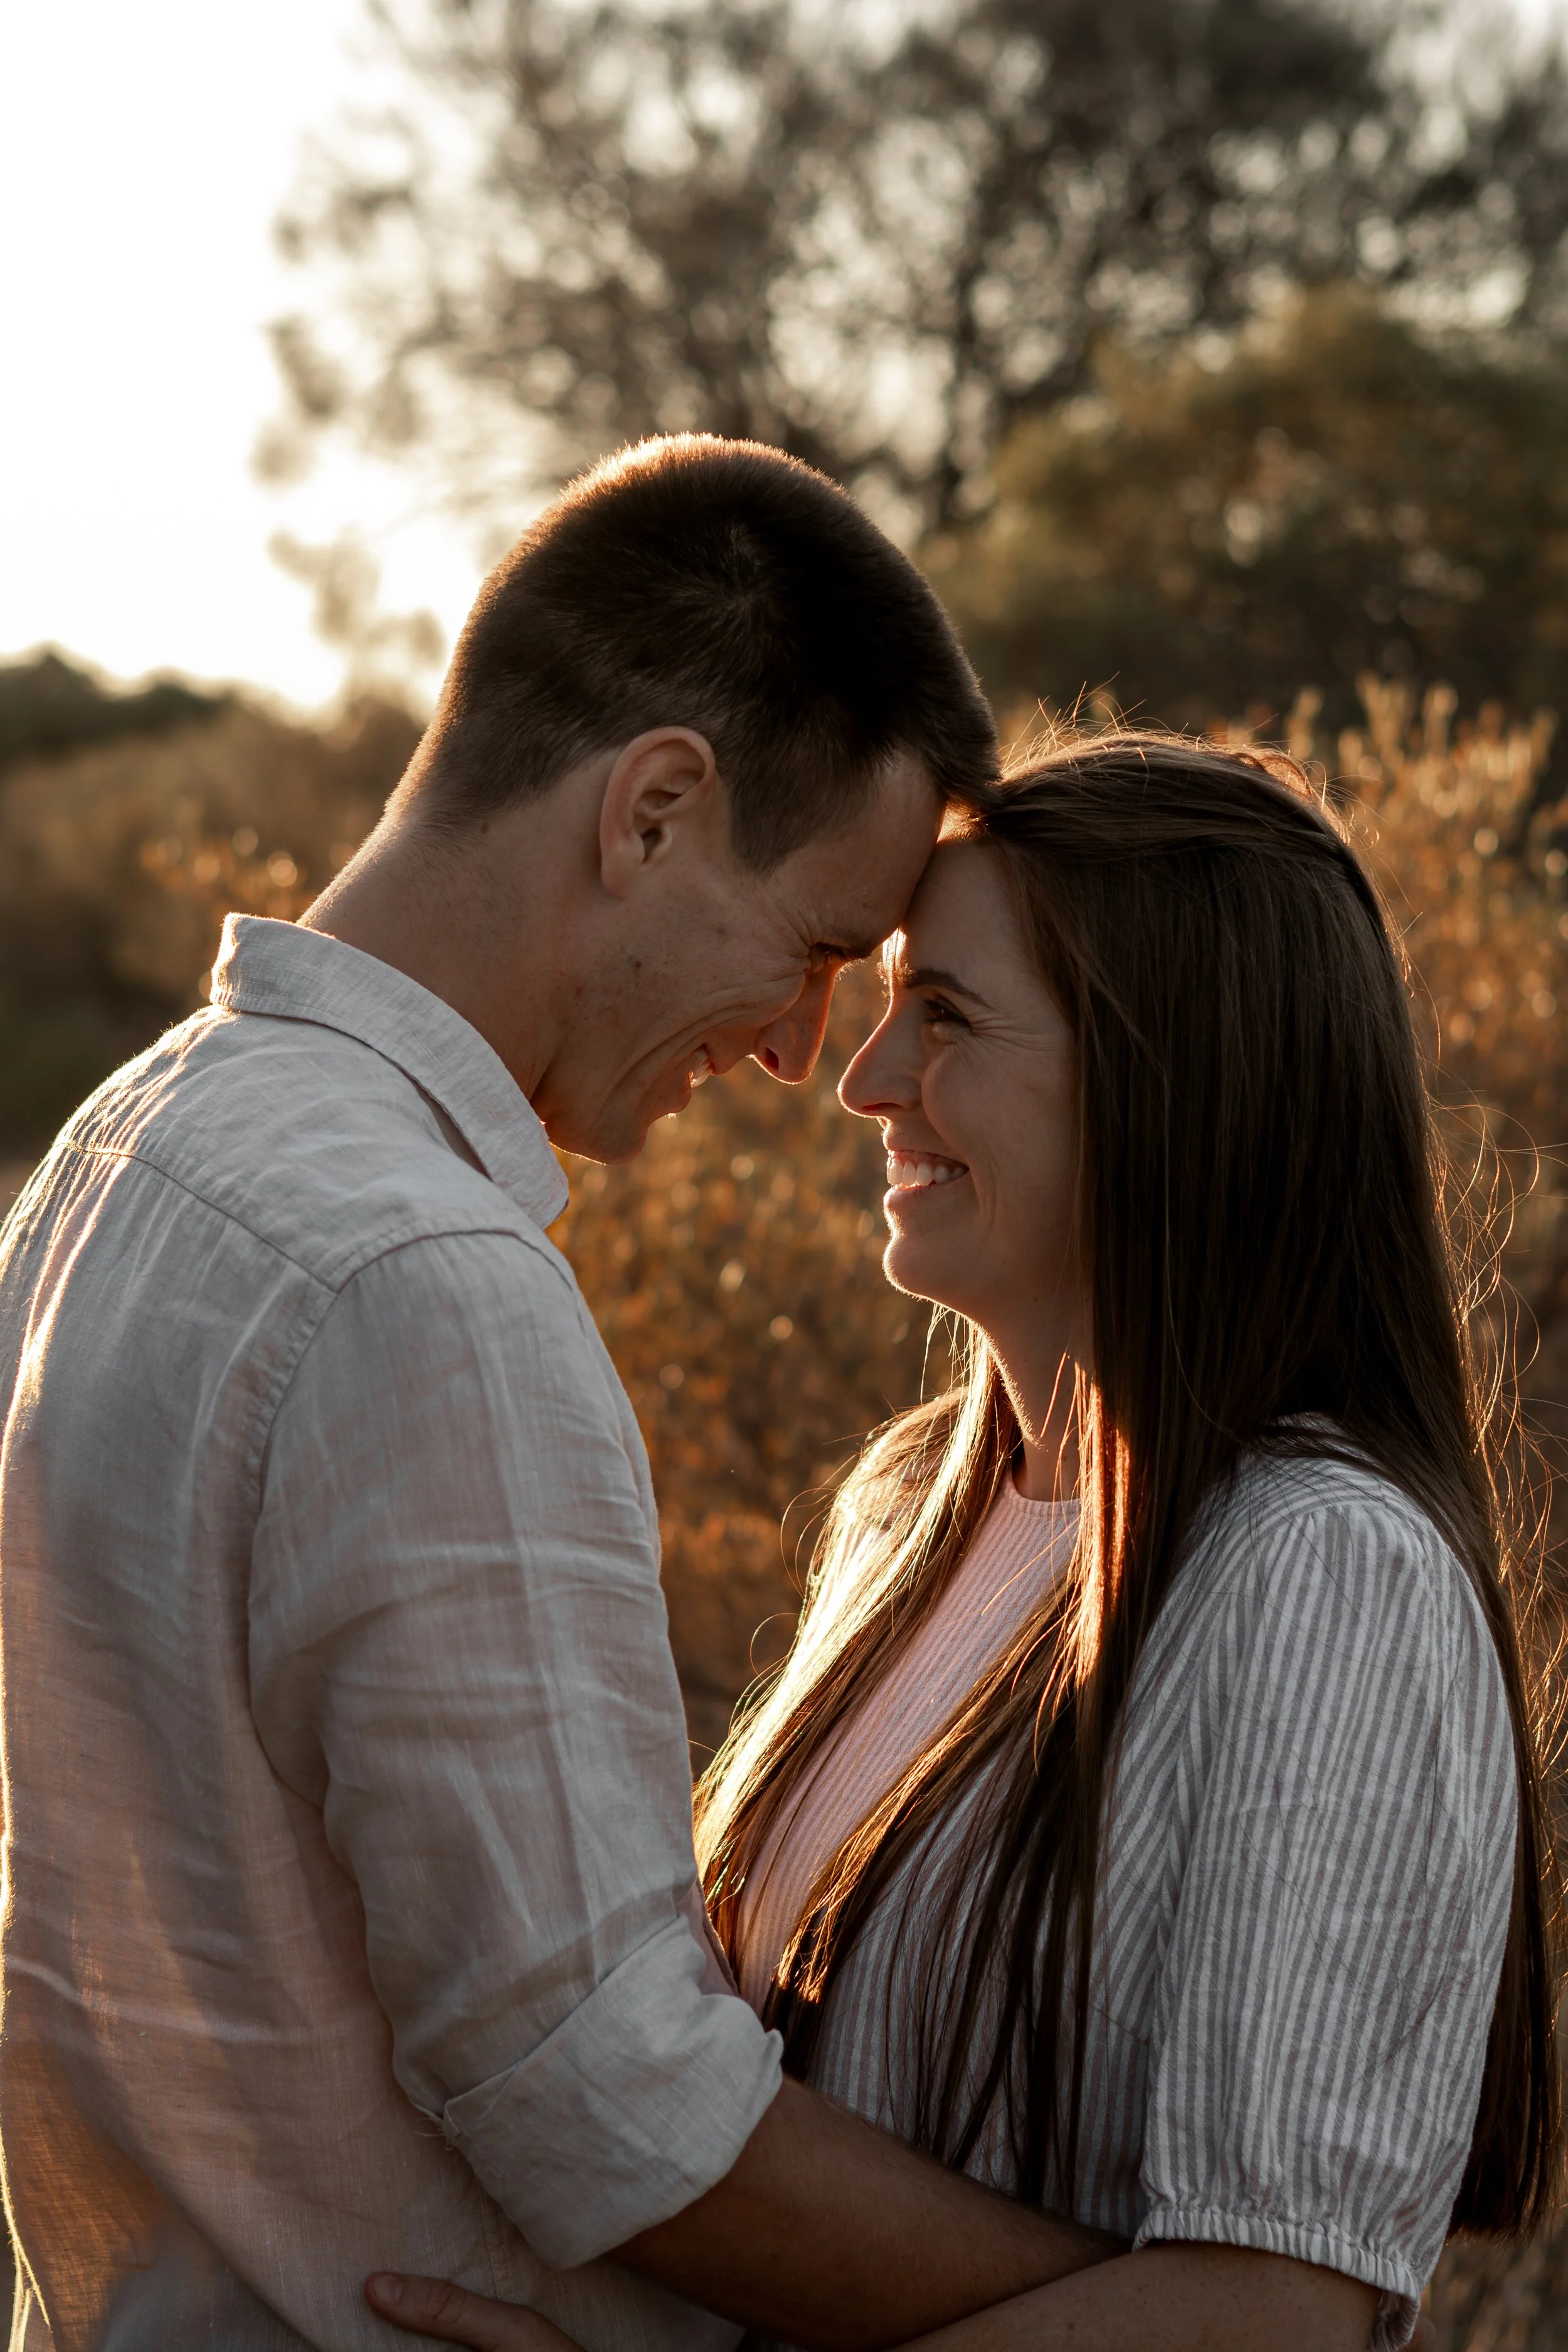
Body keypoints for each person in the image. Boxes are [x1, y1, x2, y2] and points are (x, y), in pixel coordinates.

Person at [0, 439, 1125, 2352]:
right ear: (656, 810)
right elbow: (607, 2107)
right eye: (819, 949)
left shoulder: (119, 1146)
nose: (797, 1050)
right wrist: (1181, 2318)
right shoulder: (420, 1285)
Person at [371, 736, 1557, 2352]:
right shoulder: (909, 1505)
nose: (864, 1082)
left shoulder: (1324, 1573)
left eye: (951, 1016)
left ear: (1177, 1080)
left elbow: (1273, 2309)